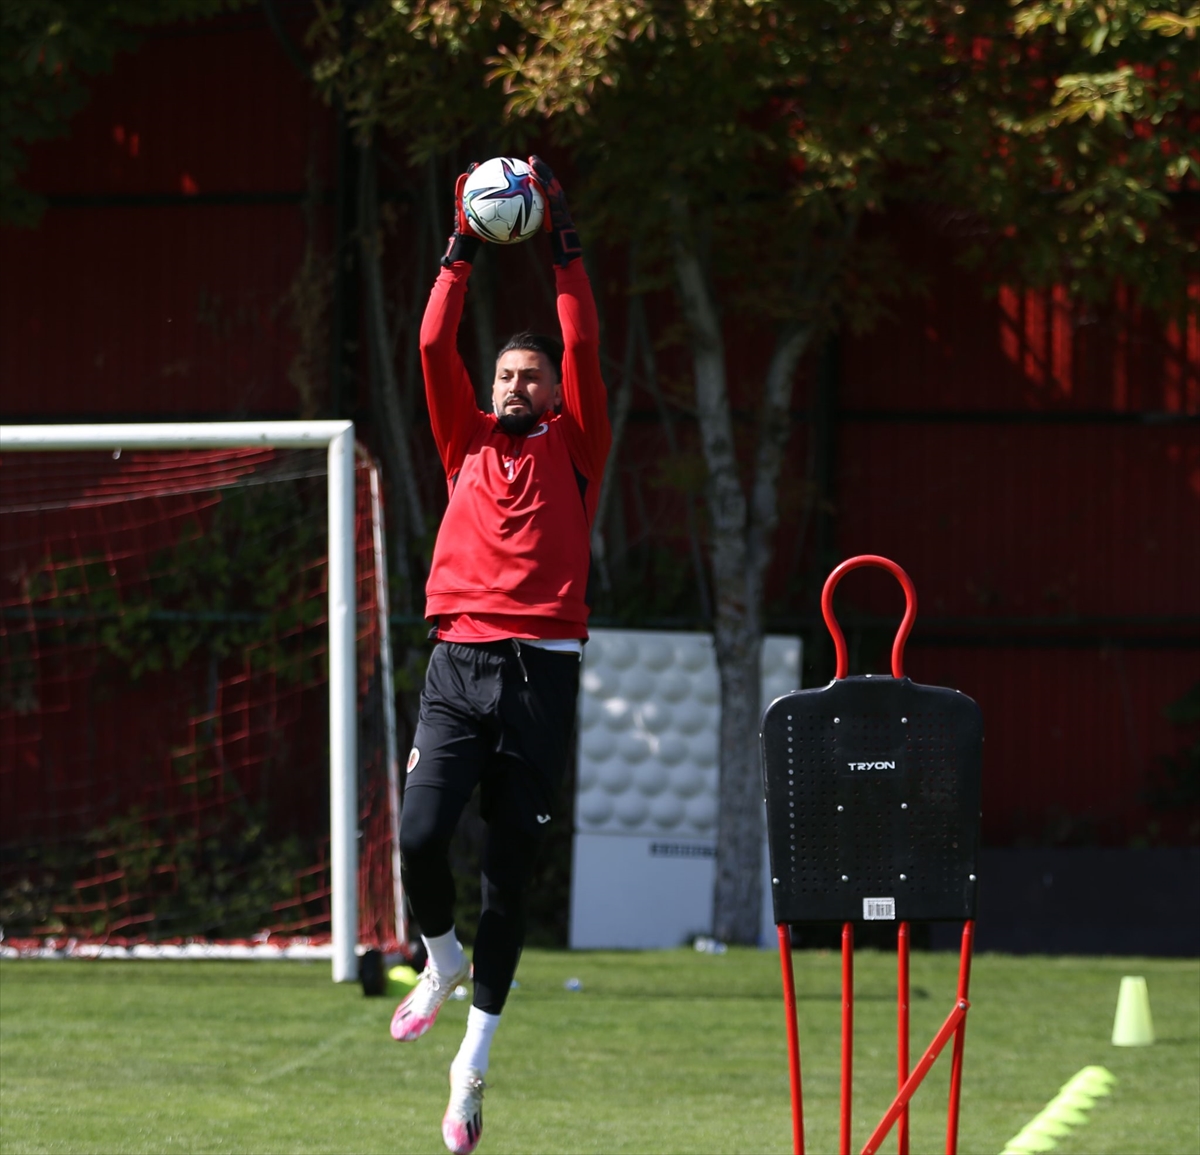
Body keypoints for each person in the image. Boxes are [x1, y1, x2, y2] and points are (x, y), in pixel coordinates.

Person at [391, 156, 610, 1155]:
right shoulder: (463, 442)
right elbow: (434, 335)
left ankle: (471, 1065)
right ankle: (437, 959)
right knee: (419, 837)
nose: (520, 383)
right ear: (489, 391)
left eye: (534, 377)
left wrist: (561, 238)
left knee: (507, 875)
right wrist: (463, 244)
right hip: (459, 664)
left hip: (543, 674)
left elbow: (580, 332)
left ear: (557, 394)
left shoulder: (577, 446)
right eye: (507, 376)